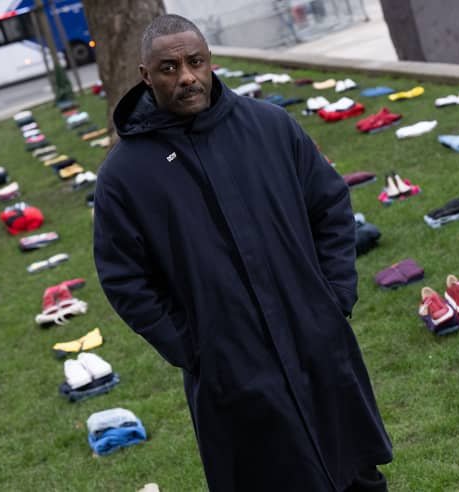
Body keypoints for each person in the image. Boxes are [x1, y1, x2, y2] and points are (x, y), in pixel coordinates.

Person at [93, 14, 392, 492]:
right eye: (169, 68)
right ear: (145, 75)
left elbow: (331, 206)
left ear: (210, 61)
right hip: (229, 367)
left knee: (354, 472)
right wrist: (192, 347)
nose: (186, 76)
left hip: (314, 339)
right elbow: (123, 279)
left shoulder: (269, 125)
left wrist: (333, 298)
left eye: (196, 62)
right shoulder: (123, 177)